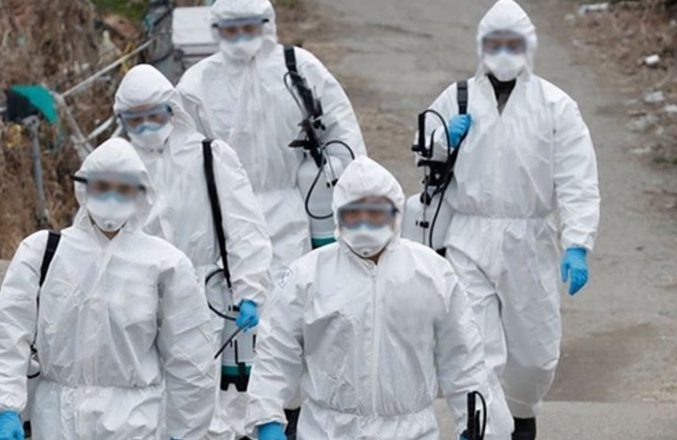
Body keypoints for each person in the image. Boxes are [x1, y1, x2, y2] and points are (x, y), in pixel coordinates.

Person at [419, 1, 600, 438]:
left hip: (529, 236)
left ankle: (521, 413)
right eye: (495, 43)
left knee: (534, 353)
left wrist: (577, 243)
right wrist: (443, 140)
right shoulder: (458, 96)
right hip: (469, 233)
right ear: (482, 46)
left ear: (527, 46)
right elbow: (424, 150)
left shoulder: (555, 105)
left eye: (512, 43)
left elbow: (577, 178)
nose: (503, 52)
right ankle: (484, 428)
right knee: (474, 346)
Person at [246, 157, 513, 440]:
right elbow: (276, 348)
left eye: (376, 214)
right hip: (327, 431)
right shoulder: (308, 275)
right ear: (337, 216)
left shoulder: (432, 273)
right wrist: (267, 417)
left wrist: (475, 426)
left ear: (395, 213)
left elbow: (463, 355)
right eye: (354, 215)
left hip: (412, 432)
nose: (364, 225)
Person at [0, 139, 216, 440]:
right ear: (84, 188)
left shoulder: (164, 264)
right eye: (102, 186)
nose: (112, 197)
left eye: (123, 189)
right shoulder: (43, 252)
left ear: (140, 193)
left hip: (134, 422)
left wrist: (185, 432)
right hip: (56, 421)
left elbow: (190, 356)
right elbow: (9, 332)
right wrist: (6, 408)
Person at [113, 64, 273, 439]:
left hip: (201, 296)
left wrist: (249, 292)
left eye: (155, 116)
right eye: (136, 119)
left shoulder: (209, 157)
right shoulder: (117, 166)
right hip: (136, 295)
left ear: (172, 110)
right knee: (144, 394)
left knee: (201, 394)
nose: (147, 126)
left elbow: (244, 229)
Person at [177, 0, 367, 278]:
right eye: (231, 30)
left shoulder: (298, 67)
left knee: (296, 285)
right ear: (217, 30)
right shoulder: (198, 82)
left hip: (295, 205)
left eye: (249, 28)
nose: (241, 37)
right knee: (239, 285)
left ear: (266, 25)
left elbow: (342, 132)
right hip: (227, 211)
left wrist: (360, 195)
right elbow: (181, 155)